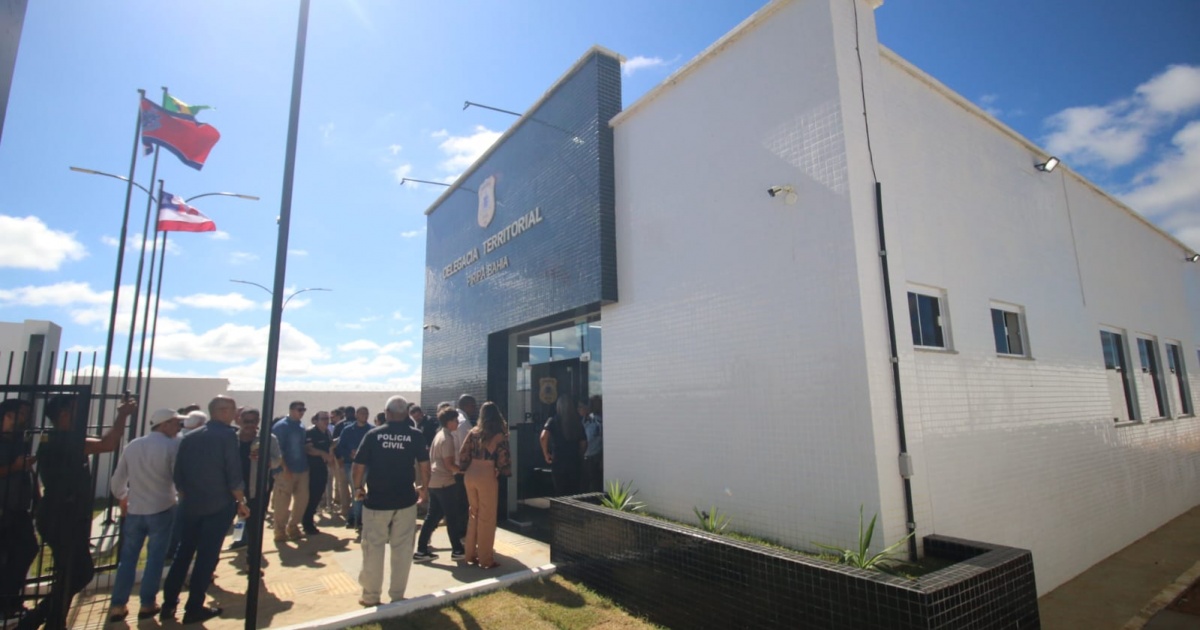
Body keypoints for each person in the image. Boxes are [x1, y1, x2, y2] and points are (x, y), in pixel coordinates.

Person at [18, 394, 134, 630]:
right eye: (76, 410)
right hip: (62, 516)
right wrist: (122, 415)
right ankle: (35, 620)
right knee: (80, 572)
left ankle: (53, 622)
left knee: (70, 573)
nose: (82, 415)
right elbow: (108, 444)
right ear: (63, 414)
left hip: (62, 514)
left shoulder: (55, 439)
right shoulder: (63, 440)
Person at [160, 396, 250, 624]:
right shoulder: (228, 436)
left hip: (191, 505)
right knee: (206, 557)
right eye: (232, 410)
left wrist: (187, 495)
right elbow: (233, 471)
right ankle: (194, 608)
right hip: (218, 505)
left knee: (183, 554)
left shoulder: (189, 437)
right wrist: (241, 500)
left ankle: (168, 605)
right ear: (223, 411)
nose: (236, 414)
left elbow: (178, 474)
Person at [107, 408, 184, 622]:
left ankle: (118, 604)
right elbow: (177, 476)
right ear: (164, 424)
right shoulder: (172, 446)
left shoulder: (133, 445)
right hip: (162, 507)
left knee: (127, 559)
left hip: (135, 509)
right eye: (175, 423)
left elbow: (118, 479)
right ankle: (147, 603)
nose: (178, 427)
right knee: (155, 558)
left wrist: (123, 496)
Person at [353, 396, 429, 606]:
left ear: (386, 413)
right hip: (405, 500)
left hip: (377, 501)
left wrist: (358, 487)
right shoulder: (415, 435)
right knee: (403, 549)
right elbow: (424, 465)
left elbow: (358, 465)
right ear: (406, 414)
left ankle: (371, 596)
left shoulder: (373, 435)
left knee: (373, 548)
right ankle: (397, 595)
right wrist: (424, 488)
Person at [458, 401, 511, 569]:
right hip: (487, 473)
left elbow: (463, 454)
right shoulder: (500, 435)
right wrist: (502, 470)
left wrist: (465, 468)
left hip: (470, 474)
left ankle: (470, 554)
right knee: (487, 517)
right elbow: (504, 457)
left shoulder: (473, 432)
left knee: (473, 513)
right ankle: (486, 558)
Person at [414, 407, 466, 563]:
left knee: (432, 517)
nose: (457, 423)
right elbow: (449, 464)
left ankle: (421, 550)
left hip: (435, 482)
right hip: (445, 482)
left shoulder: (438, 435)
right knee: (452, 517)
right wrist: (463, 471)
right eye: (455, 420)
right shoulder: (447, 438)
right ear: (449, 422)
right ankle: (457, 550)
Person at [0, 399, 36, 620]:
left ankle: (11, 601)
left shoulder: (18, 441)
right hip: (3, 508)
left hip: (17, 508)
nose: (24, 419)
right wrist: (15, 466)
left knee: (26, 550)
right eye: (20, 414)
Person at [231, 408, 280, 552]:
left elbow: (278, 460)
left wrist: (265, 460)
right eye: (246, 421)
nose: (250, 425)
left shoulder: (269, 438)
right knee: (239, 517)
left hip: (256, 487)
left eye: (253, 421)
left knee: (254, 521)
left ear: (258, 421)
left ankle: (251, 553)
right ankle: (239, 540)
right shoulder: (231, 438)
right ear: (239, 421)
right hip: (233, 487)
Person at [271, 401, 309, 542]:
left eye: (304, 409)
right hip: (285, 471)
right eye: (299, 409)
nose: (302, 412)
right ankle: (279, 531)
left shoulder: (301, 426)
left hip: (302, 469)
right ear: (291, 410)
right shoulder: (281, 426)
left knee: (302, 500)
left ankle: (293, 527)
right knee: (282, 502)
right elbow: (277, 450)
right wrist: (284, 468)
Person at [540, 394, 585, 496]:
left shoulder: (552, 420)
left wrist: (546, 454)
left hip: (558, 461)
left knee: (560, 492)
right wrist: (580, 455)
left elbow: (543, 437)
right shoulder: (577, 422)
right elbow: (583, 443)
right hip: (574, 461)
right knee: (574, 492)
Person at [334, 406, 371, 529]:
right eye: (362, 413)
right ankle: (357, 519)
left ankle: (354, 517)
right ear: (356, 415)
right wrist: (349, 453)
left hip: (366, 465)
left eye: (366, 413)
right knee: (357, 489)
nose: (364, 415)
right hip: (351, 464)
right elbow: (340, 447)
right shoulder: (347, 430)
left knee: (359, 490)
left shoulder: (371, 430)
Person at [301, 411, 334, 535]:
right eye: (323, 418)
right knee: (311, 496)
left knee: (318, 495)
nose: (326, 421)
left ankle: (309, 520)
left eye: (327, 418)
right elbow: (308, 449)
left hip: (322, 468)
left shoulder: (327, 432)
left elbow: (330, 445)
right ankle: (307, 523)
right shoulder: (311, 432)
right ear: (316, 420)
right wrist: (322, 453)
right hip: (311, 469)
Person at [581, 395, 604, 492]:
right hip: (585, 456)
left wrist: (602, 458)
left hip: (595, 457)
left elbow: (603, 440)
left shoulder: (599, 421)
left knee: (595, 485)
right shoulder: (586, 419)